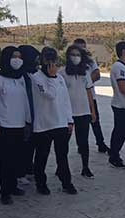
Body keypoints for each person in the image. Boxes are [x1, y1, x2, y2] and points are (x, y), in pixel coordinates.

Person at [30, 47, 78, 195]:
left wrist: (69, 120)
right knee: (42, 156)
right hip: (43, 125)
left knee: (62, 156)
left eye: (53, 59)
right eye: (47, 59)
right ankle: (41, 183)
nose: (51, 63)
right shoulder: (36, 78)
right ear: (42, 60)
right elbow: (49, 95)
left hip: (60, 123)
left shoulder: (60, 78)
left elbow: (65, 100)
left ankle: (66, 182)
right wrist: (50, 77)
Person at [0, 46, 31, 205]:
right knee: (4, 159)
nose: (17, 59)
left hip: (19, 124)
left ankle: (13, 186)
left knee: (16, 158)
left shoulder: (22, 77)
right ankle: (5, 190)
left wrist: (28, 121)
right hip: (3, 125)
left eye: (20, 56)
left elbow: (26, 100)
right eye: (14, 56)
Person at [59, 45, 97, 179]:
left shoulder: (85, 72)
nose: (75, 57)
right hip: (67, 114)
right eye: (73, 54)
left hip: (83, 112)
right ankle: (61, 167)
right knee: (64, 143)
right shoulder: (62, 73)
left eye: (78, 55)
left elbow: (89, 92)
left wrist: (92, 111)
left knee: (83, 142)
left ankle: (85, 167)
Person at [73, 38, 108, 153]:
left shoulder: (90, 60)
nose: (81, 50)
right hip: (75, 99)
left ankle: (100, 143)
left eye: (83, 47)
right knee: (79, 124)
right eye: (79, 47)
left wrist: (85, 83)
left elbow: (97, 74)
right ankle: (81, 146)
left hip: (90, 96)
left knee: (95, 120)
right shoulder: (70, 62)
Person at [18, 45, 40, 183]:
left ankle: (28, 167)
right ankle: (20, 171)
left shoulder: (34, 73)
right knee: (23, 144)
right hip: (24, 115)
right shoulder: (21, 75)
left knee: (32, 143)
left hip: (36, 114)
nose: (37, 62)